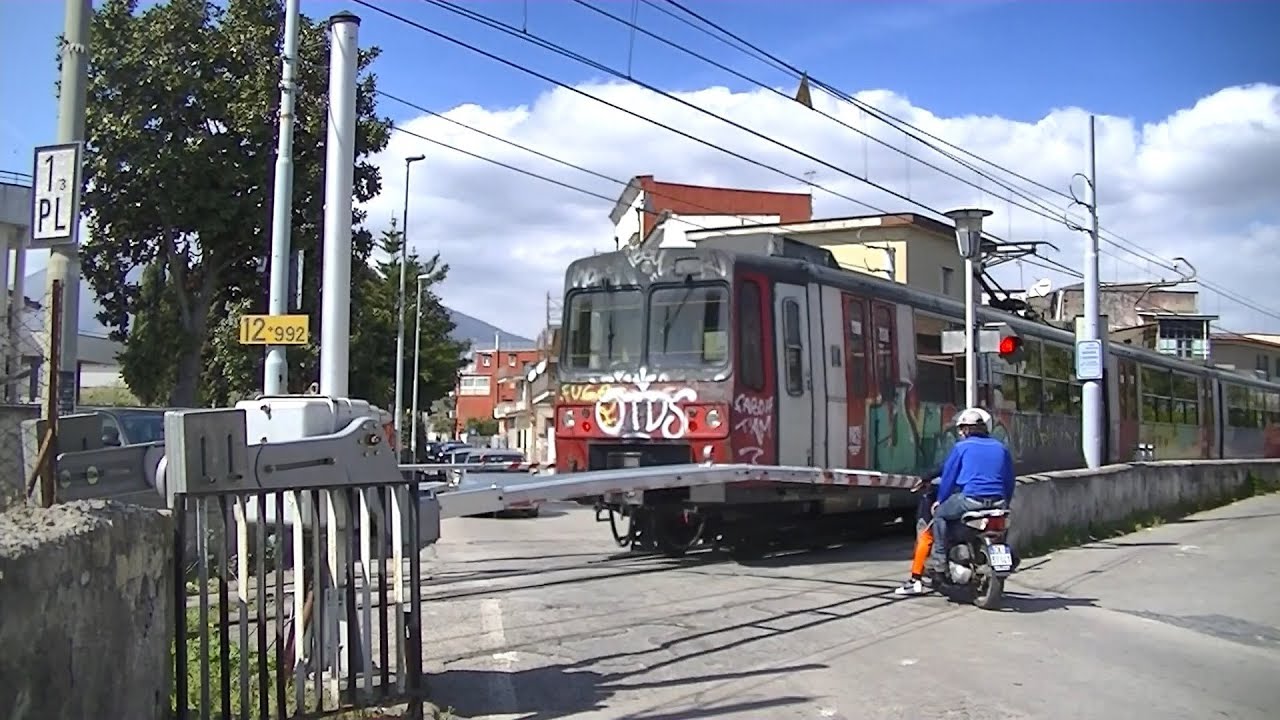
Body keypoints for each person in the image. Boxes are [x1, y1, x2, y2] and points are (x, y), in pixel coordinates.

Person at [925, 407, 1015, 575]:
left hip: (971, 500)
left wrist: (940, 500)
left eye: (961, 429)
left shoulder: (961, 447)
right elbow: (1009, 480)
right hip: (998, 501)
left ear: (966, 429)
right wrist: (1005, 502)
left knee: (940, 515)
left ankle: (939, 559)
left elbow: (948, 478)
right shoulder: (1001, 448)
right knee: (1001, 527)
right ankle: (1006, 554)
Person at [893, 462, 944, 596]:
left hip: (946, 495)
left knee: (925, 535)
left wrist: (925, 477)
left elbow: (945, 467)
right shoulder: (998, 450)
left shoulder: (963, 449)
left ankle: (915, 580)